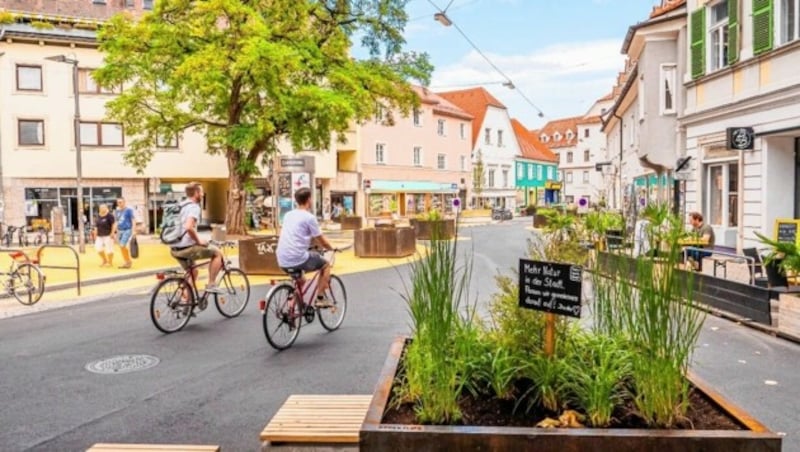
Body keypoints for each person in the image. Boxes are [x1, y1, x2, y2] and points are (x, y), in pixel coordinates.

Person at [277, 187, 335, 307]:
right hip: (297, 258)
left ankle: (291, 307)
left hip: (282, 259)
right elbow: (321, 240)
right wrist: (331, 248)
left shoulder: (288, 215)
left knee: (301, 280)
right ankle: (320, 298)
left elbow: (295, 234)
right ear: (309, 199)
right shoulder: (309, 217)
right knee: (325, 265)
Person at [169, 182, 224, 295]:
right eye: (201, 192)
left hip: (175, 248)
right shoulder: (194, 207)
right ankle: (211, 284)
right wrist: (199, 241)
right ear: (196, 193)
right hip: (186, 248)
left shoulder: (181, 205)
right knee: (217, 253)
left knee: (193, 272)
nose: (203, 194)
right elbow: (189, 227)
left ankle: (185, 304)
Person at [113, 197, 136, 269]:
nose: (119, 204)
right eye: (118, 202)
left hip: (127, 230)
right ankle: (127, 261)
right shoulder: (117, 211)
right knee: (121, 247)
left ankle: (128, 261)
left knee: (122, 245)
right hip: (120, 231)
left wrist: (134, 230)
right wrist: (114, 231)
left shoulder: (129, 210)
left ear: (124, 202)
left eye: (121, 202)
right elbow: (116, 222)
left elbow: (133, 220)